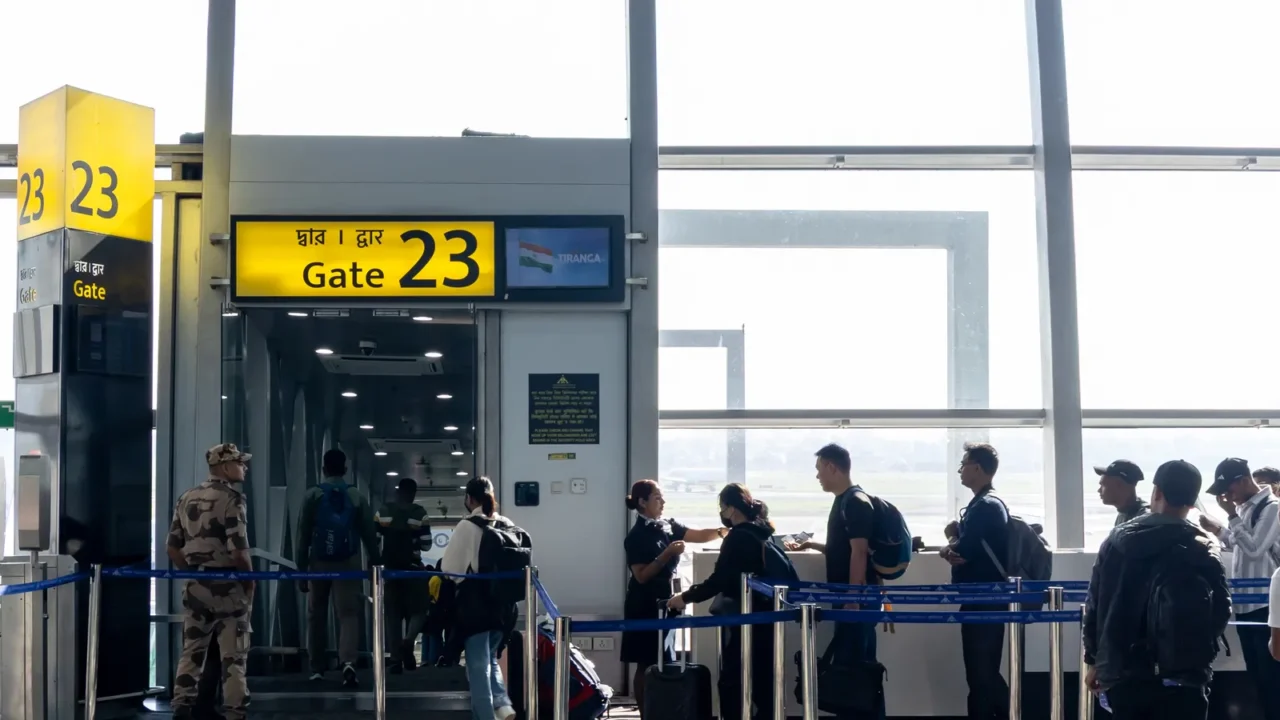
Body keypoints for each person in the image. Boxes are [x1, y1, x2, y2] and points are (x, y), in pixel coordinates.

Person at [1083, 460, 1230, 720]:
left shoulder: (1116, 543)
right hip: (1185, 678)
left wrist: (1094, 660)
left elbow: (1096, 606)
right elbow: (1220, 612)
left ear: (1157, 492)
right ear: (1193, 500)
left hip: (1125, 676)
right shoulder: (1203, 548)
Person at [786, 443, 883, 720]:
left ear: (832, 467)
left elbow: (860, 551)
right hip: (849, 597)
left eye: (819, 470)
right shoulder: (842, 501)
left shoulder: (855, 502)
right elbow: (844, 549)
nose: (818, 476)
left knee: (859, 667)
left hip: (857, 599)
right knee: (850, 667)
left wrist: (853, 597)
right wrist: (813, 545)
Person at [667, 484, 777, 720]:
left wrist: (685, 597)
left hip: (740, 617)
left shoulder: (738, 537)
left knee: (733, 680)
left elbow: (719, 579)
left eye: (722, 507)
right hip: (766, 616)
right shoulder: (762, 532)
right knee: (762, 680)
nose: (722, 512)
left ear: (732, 509)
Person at [166, 443, 256, 720]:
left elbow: (172, 548)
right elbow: (238, 551)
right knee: (234, 657)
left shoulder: (186, 497)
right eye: (240, 463)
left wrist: (192, 571)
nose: (245, 467)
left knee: (192, 651)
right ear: (225, 467)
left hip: (196, 585)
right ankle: (235, 712)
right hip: (228, 587)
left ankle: (182, 707)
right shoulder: (233, 499)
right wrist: (249, 581)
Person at [621, 479, 724, 719]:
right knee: (645, 662)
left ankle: (662, 709)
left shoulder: (666, 526)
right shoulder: (636, 536)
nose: (663, 501)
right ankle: (646, 713)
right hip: (643, 604)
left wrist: (722, 531)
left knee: (664, 657)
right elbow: (642, 576)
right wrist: (666, 554)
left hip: (665, 603)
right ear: (642, 502)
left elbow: (696, 535)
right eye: (657, 498)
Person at [1198, 458, 1280, 720]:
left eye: (1229, 489)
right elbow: (1241, 545)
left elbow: (1255, 549)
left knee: (1272, 678)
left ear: (1245, 480)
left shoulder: (1272, 507)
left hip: (1266, 606)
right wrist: (1220, 530)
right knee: (1257, 676)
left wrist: (1231, 516)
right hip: (1246, 605)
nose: (1227, 496)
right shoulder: (1246, 508)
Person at [296, 448, 379, 687]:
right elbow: (369, 535)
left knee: (316, 614)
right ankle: (348, 663)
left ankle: (316, 667)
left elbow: (302, 536)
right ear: (345, 469)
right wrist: (375, 562)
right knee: (349, 614)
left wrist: (301, 571)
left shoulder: (312, 495)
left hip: (318, 562)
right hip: (348, 562)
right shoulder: (355, 496)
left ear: (323, 469)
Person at [941, 442, 1010, 720]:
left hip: (985, 601)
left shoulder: (986, 506)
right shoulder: (985, 504)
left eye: (963, 465)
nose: (960, 471)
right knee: (984, 673)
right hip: (983, 599)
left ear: (978, 468)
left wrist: (949, 541)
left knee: (981, 675)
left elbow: (963, 551)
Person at [439, 476, 518, 720]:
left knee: (477, 666)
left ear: (469, 499)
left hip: (476, 607)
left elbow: (450, 568)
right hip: (504, 606)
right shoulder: (506, 523)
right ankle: (503, 704)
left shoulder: (467, 525)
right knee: (490, 659)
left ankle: (485, 716)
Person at [376, 477, 431, 673]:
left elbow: (373, 537)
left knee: (393, 614)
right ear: (414, 494)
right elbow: (427, 544)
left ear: (398, 491)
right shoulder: (419, 513)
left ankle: (395, 660)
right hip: (413, 568)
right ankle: (409, 640)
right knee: (418, 610)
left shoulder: (384, 510)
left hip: (390, 570)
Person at [1094, 460, 1148, 527]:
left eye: (1103, 485)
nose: (1099, 490)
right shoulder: (1124, 512)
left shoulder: (1144, 520)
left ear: (1120, 485)